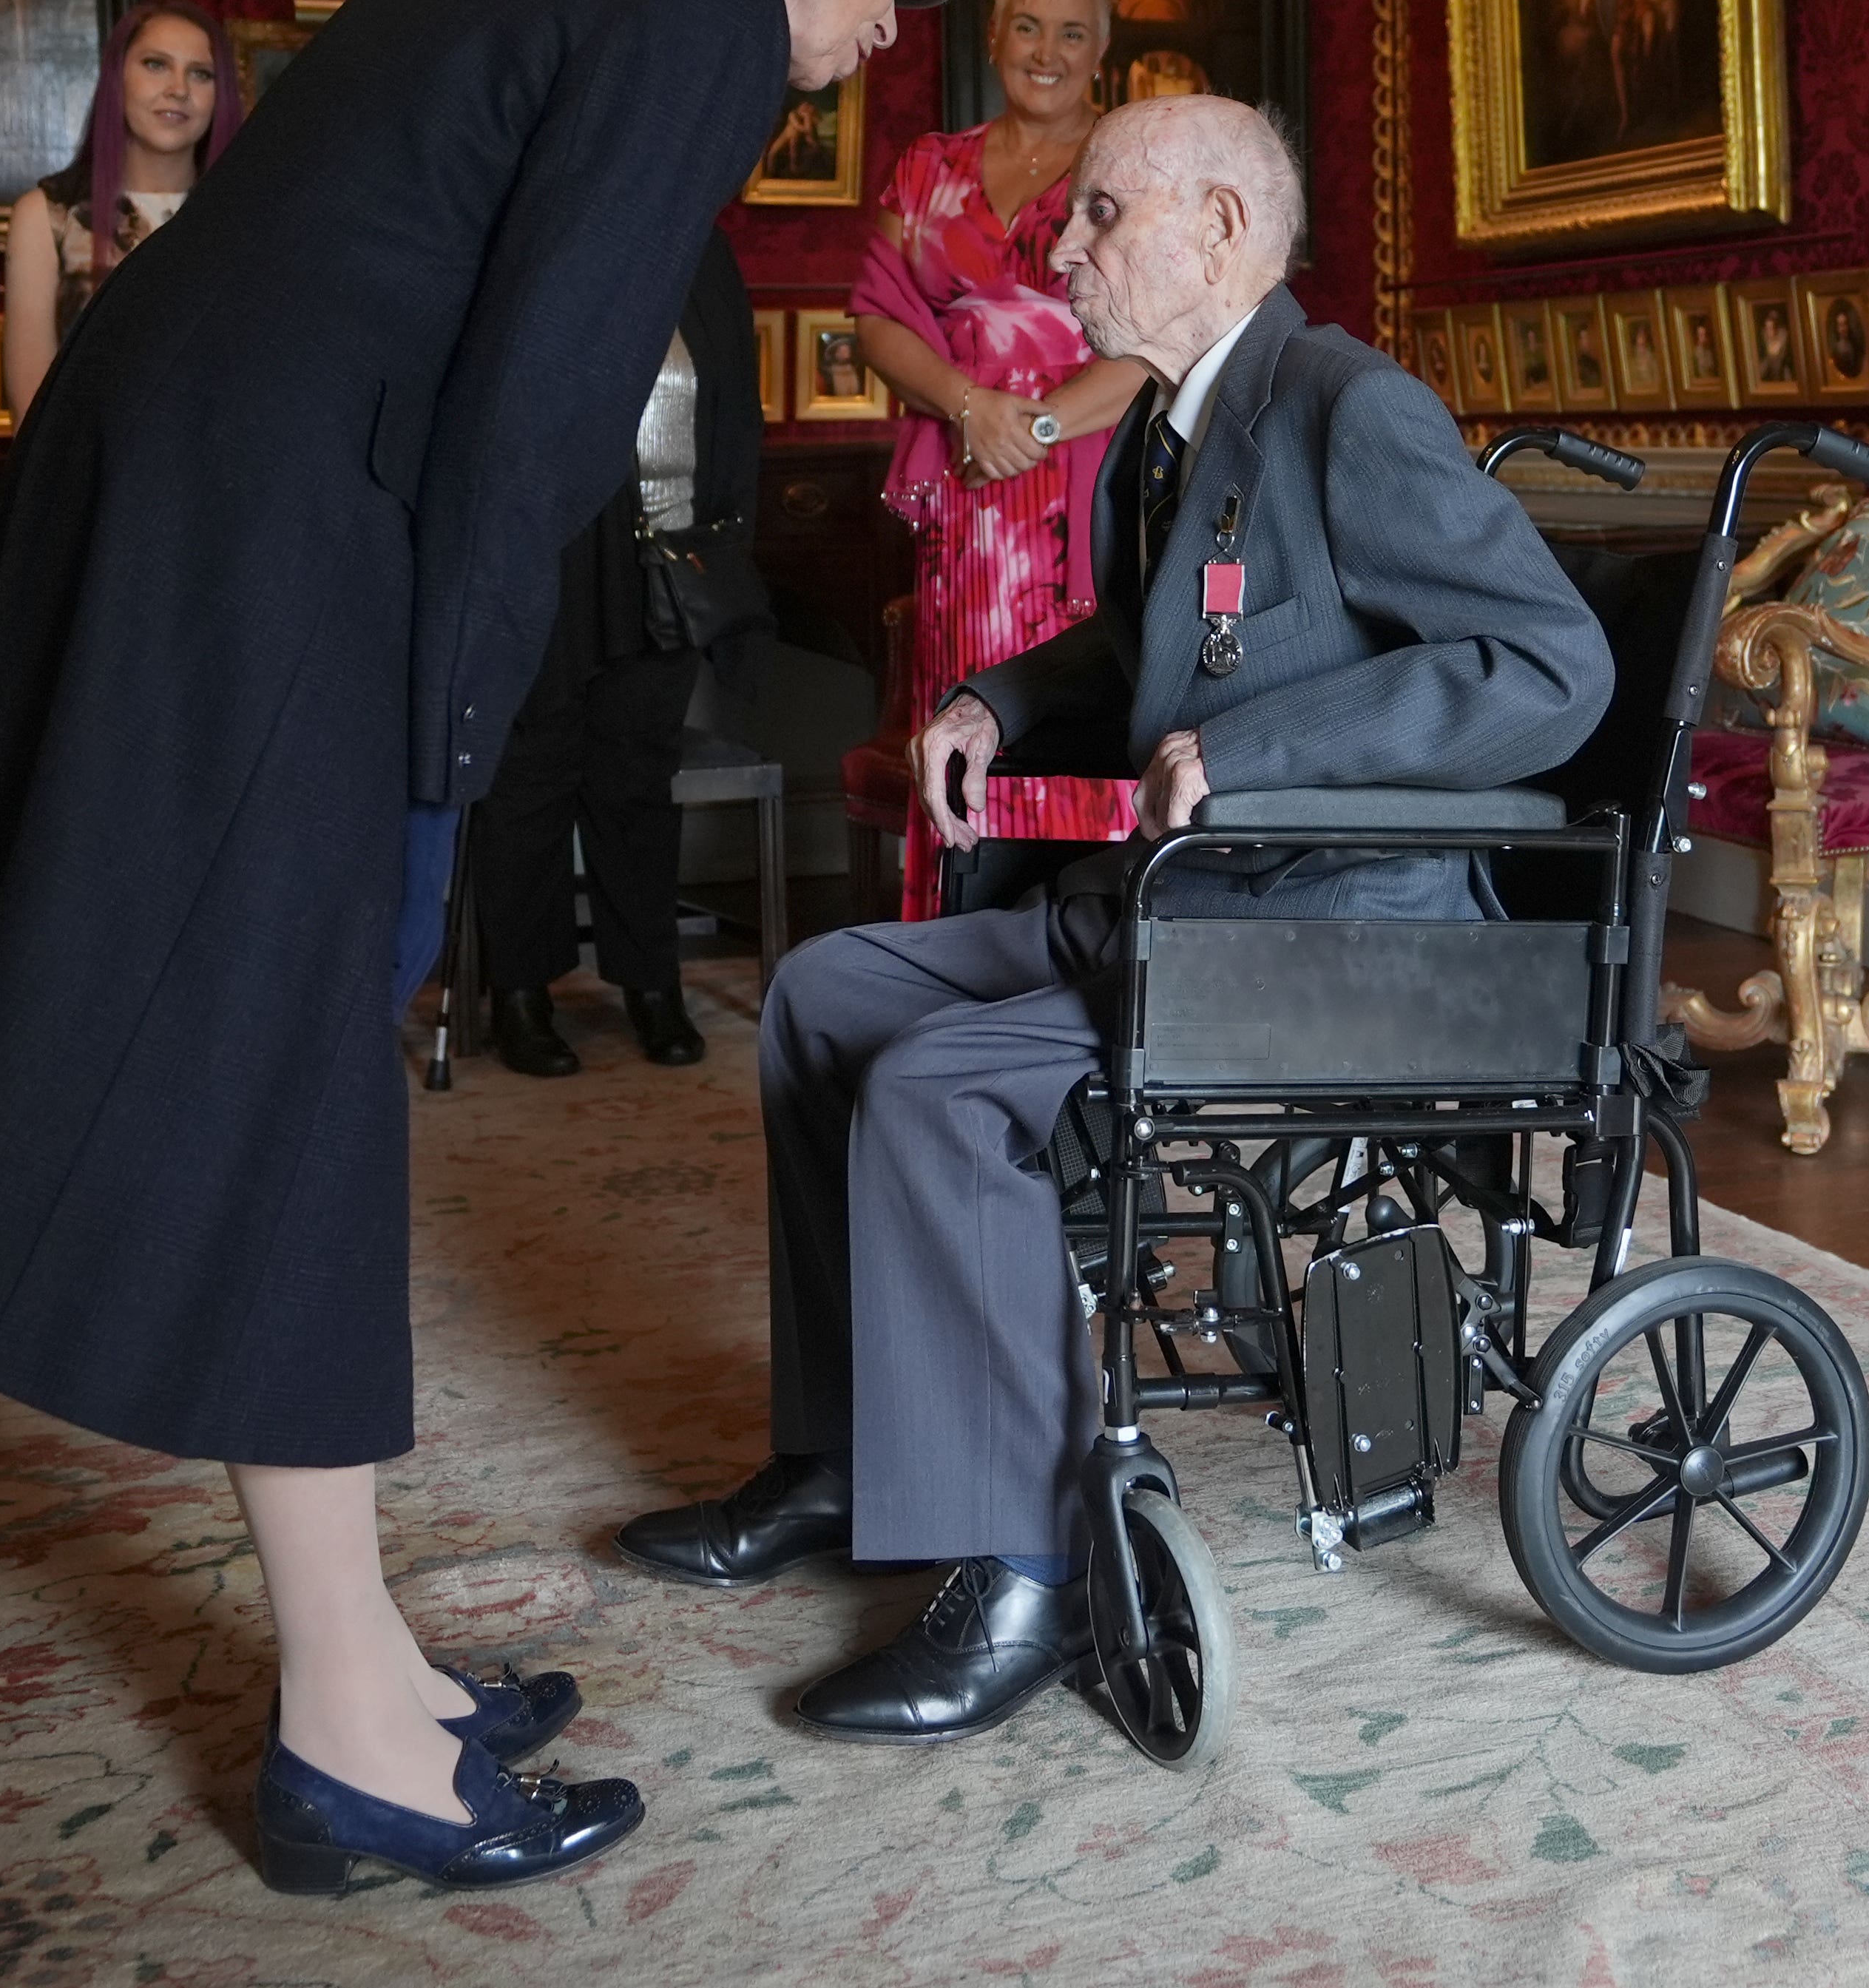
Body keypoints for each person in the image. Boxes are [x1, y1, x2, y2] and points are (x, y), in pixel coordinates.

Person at [0, 0, 1072, 1893]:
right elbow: (535, 424)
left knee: (277, 1083)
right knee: (295, 1093)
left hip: (209, 498)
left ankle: (366, 1656)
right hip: (271, 538)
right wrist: (439, 767)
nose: (897, 21)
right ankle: (343, 1736)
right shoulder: (701, 12)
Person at [617, 94, 1615, 1744]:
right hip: (1191, 913)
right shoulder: (1170, 429)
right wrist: (997, 706)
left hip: (1324, 942)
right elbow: (1146, 662)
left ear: (1222, 228)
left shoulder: (1344, 408)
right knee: (827, 997)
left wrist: (1253, 755)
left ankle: (1024, 1565)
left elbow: (1549, 669)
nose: (1060, 249)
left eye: (1098, 217)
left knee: (937, 1089)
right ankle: (847, 1457)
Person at [849, 0, 1153, 918]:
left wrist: (1042, 427)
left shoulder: (1136, 173)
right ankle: (950, 950)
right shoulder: (927, 167)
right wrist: (973, 408)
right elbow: (877, 315)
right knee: (963, 726)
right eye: (1028, 26)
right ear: (993, 37)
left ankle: (1079, 952)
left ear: (1102, 47)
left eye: (1072, 32)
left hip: (1091, 500)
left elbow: (1162, 340)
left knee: (1075, 710)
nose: (1047, 53)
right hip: (969, 512)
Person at [470, 228, 759, 1077]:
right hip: (550, 561)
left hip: (667, 562)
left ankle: (650, 983)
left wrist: (727, 543)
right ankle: (520, 992)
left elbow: (736, 410)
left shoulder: (703, 254)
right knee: (530, 775)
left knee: (635, 781)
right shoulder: (546, 239)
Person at [1, 3, 248, 426]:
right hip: (91, 476)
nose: (178, 89)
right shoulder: (48, 217)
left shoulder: (251, 215)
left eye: (201, 73)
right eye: (156, 65)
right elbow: (32, 411)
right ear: (117, 81)